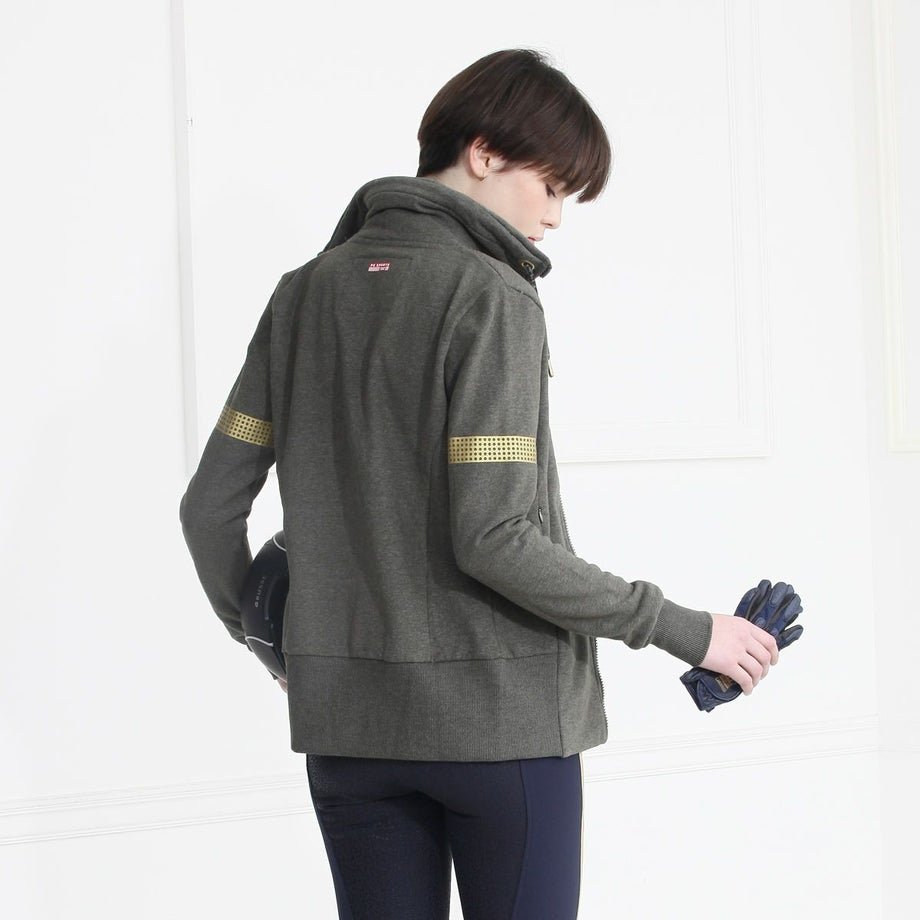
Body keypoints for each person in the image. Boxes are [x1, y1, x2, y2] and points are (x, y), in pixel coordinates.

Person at [179, 48, 780, 920]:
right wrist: (687, 630)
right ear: (485, 153)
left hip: (349, 733)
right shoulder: (491, 294)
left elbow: (208, 508)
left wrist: (274, 643)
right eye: (553, 185)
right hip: (503, 729)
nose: (556, 216)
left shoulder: (303, 295)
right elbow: (496, 538)